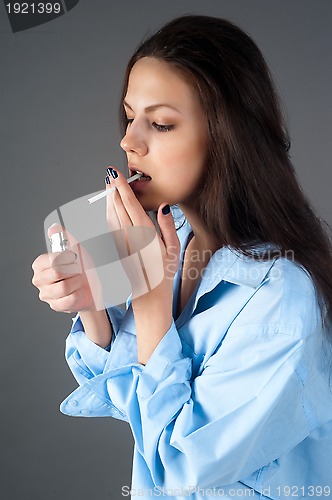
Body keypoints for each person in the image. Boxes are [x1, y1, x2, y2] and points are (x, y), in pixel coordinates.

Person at [31, 15, 332, 499]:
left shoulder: (282, 299)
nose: (129, 141)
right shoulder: (176, 243)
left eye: (161, 123)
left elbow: (178, 462)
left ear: (227, 136)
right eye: (130, 117)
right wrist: (93, 305)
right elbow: (134, 399)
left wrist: (150, 299)